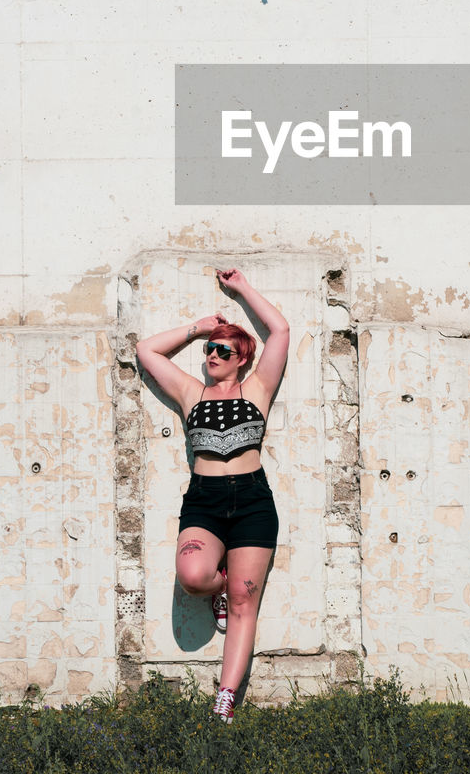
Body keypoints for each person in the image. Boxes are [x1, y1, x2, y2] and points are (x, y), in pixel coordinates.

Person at [135, 267, 290, 724]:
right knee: (193, 576)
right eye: (209, 349)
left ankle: (225, 698)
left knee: (246, 601)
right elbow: (146, 351)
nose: (212, 354)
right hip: (203, 499)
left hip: (253, 501)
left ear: (243, 357)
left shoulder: (258, 388)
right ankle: (218, 588)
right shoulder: (191, 393)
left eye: (223, 349)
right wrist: (198, 328)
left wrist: (241, 288)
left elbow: (280, 329)